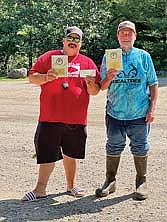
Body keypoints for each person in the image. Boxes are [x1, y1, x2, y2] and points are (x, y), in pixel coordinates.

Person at [22, 26, 100, 201]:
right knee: (47, 152)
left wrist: (90, 85)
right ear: (63, 40)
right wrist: (45, 77)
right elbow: (32, 77)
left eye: (77, 39)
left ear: (81, 43)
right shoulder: (49, 57)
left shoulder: (87, 62)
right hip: (50, 115)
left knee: (71, 153)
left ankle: (71, 186)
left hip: (77, 117)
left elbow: (96, 91)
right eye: (70, 38)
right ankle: (39, 189)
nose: (73, 41)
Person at [95, 21, 158, 200]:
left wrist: (152, 109)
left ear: (135, 36)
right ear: (118, 36)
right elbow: (101, 86)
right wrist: (109, 77)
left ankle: (141, 182)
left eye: (129, 33)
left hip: (139, 112)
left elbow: (153, 84)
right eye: (122, 33)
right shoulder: (110, 57)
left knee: (140, 146)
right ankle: (110, 181)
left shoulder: (143, 56)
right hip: (115, 112)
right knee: (113, 145)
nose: (126, 35)